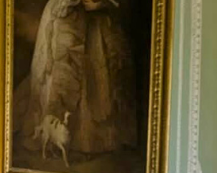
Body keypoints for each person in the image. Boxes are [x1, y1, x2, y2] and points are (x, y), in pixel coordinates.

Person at [15, 0, 138, 161]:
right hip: (65, 14)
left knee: (96, 76)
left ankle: (89, 140)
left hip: (96, 21)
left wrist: (102, 3)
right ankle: (54, 134)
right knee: (62, 66)